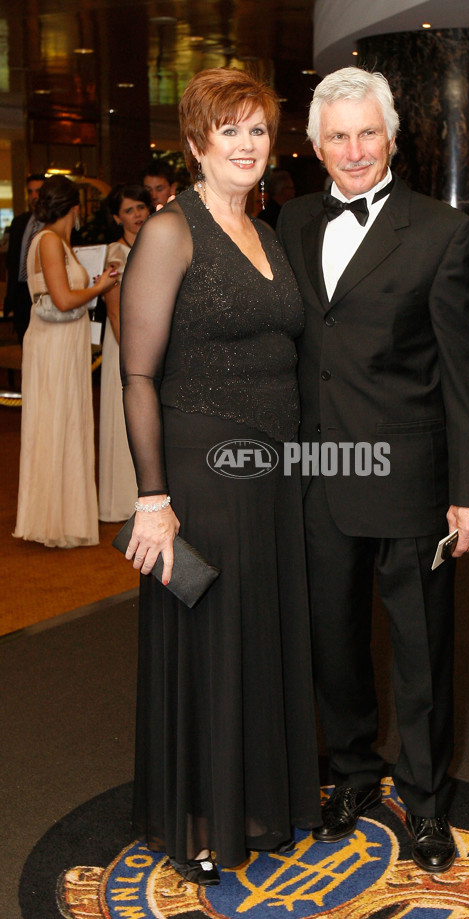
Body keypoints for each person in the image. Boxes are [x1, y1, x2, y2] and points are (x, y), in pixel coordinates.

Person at [278, 67, 469, 874]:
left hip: (410, 479)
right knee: (331, 642)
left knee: (422, 649)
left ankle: (428, 803)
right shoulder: (293, 219)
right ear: (313, 144)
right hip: (319, 471)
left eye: (367, 133)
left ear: (395, 139)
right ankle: (352, 772)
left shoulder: (442, 231)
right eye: (336, 136)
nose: (353, 150)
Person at [119, 68, 321, 886]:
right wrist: (153, 500)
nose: (245, 145)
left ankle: (258, 798)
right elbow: (137, 373)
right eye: (228, 130)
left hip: (272, 470)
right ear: (198, 143)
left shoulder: (266, 231)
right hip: (202, 471)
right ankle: (202, 814)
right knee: (213, 642)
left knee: (263, 634)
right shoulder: (173, 230)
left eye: (258, 131)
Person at [13, 175, 119, 547]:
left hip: (62, 344)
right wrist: (101, 287)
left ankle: (58, 515)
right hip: (54, 346)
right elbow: (62, 299)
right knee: (57, 424)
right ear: (74, 208)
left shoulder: (56, 242)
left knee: (63, 424)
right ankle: (51, 520)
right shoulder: (49, 242)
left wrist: (91, 285)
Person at [98, 184, 151, 522]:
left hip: (152, 340)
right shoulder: (116, 253)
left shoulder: (154, 242)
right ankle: (123, 500)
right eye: (129, 210)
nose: (136, 216)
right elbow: (114, 309)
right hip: (125, 343)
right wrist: (127, 354)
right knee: (126, 416)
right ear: (117, 217)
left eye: (141, 208)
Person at [4, 173, 46, 342]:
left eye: (38, 191)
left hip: (44, 293)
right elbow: (12, 260)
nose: (34, 197)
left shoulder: (55, 224)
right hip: (21, 293)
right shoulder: (20, 222)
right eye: (30, 192)